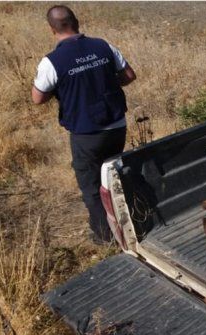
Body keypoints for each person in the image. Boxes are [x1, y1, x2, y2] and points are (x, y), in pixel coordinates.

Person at [32, 5, 136, 245]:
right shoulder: (103, 45)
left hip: (86, 133)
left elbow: (37, 98)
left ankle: (105, 237)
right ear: (76, 21)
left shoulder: (52, 61)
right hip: (117, 125)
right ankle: (131, 221)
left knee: (91, 184)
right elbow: (129, 76)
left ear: (52, 29)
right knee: (115, 175)